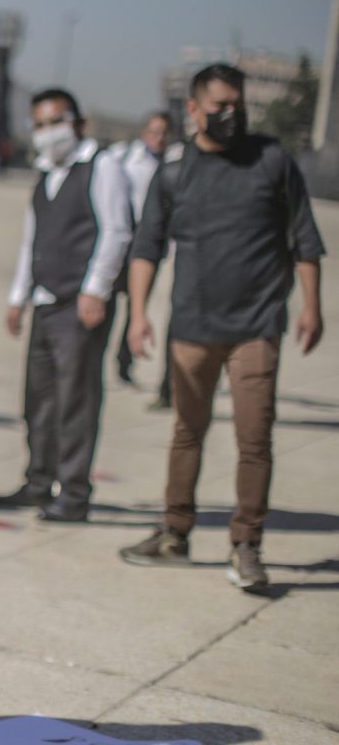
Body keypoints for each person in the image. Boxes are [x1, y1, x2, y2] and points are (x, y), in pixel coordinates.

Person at [120, 64, 324, 593]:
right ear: (193, 109)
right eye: (219, 106)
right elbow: (147, 247)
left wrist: (312, 307)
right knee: (187, 432)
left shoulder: (273, 161)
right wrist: (138, 315)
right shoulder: (174, 172)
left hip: (256, 326)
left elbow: (304, 237)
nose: (231, 114)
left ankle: (247, 545)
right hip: (191, 328)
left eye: (238, 104)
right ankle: (174, 532)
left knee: (254, 438)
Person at [0, 88, 131, 522]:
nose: (48, 133)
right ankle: (38, 480)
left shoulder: (102, 167)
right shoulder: (46, 174)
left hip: (78, 304)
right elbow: (32, 241)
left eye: (56, 122)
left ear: (78, 122)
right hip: (46, 302)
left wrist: (95, 289)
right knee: (38, 399)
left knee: (75, 401)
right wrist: (18, 297)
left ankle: (74, 491)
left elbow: (117, 232)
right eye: (40, 125)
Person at [108, 112, 174, 387]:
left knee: (137, 307)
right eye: (154, 131)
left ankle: (125, 362)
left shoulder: (173, 166)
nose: (158, 138)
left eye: (164, 133)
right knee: (107, 302)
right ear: (144, 133)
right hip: (123, 240)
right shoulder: (123, 160)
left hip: (150, 244)